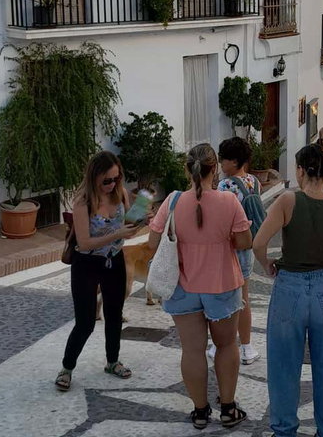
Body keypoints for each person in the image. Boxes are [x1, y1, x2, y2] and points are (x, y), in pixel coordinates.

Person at [254, 144, 323, 437]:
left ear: (300, 170)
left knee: (284, 366)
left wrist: (267, 264)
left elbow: (258, 243)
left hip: (290, 288)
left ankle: (284, 430)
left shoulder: (287, 201)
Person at [148, 143, 252, 430]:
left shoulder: (172, 201)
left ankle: (200, 412)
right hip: (222, 283)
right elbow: (245, 241)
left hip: (182, 286)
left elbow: (153, 242)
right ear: (214, 168)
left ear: (187, 169)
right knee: (226, 345)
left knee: (192, 350)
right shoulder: (228, 201)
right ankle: (228, 409)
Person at [56, 151, 143, 391]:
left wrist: (140, 222)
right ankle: (67, 368)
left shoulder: (120, 193)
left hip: (114, 260)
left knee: (114, 315)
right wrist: (117, 234)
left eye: (116, 178)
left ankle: (112, 361)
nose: (112, 184)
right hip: (86, 263)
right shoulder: (83, 201)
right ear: (94, 177)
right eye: (107, 180)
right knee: (85, 322)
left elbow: (127, 230)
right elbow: (84, 243)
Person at [205, 137, 261, 366]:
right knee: (244, 298)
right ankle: (247, 347)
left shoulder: (225, 186)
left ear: (234, 161)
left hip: (228, 249)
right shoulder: (254, 181)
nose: (220, 163)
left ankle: (218, 344)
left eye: (223, 159)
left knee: (223, 298)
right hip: (247, 247)